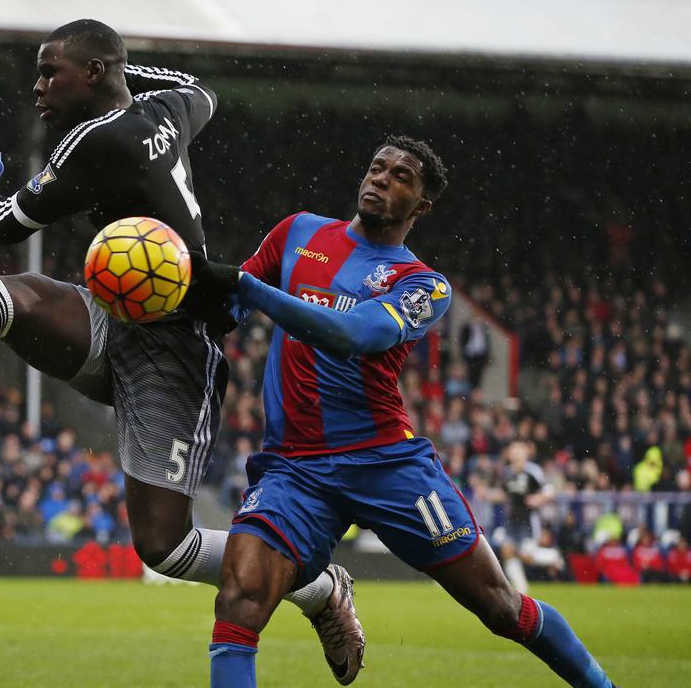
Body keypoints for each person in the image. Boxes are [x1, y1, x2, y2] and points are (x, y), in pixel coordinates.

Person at [0, 18, 362, 673]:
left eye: (50, 72)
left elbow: (2, 219)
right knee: (3, 296)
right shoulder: (168, 111)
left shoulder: (93, 142)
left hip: (176, 349)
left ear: (93, 72)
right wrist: (124, 74)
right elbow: (197, 88)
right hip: (110, 312)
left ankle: (323, 589)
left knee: (165, 546)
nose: (38, 86)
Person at [194, 136, 615, 687]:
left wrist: (246, 284)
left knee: (500, 607)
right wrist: (179, 289)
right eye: (376, 168)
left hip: (388, 466)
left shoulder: (422, 285)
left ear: (421, 206)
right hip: (297, 468)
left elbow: (352, 333)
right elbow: (231, 303)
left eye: (401, 177)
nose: (381, 179)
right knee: (240, 597)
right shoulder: (298, 232)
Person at [494, 440, 553, 592]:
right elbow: (503, 494)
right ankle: (521, 588)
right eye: (512, 451)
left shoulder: (533, 471)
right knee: (507, 550)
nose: (514, 454)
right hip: (512, 518)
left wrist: (537, 499)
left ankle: (554, 557)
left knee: (526, 556)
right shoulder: (507, 472)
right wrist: (487, 495)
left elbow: (548, 490)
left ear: (525, 453)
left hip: (529, 518)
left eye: (517, 451)